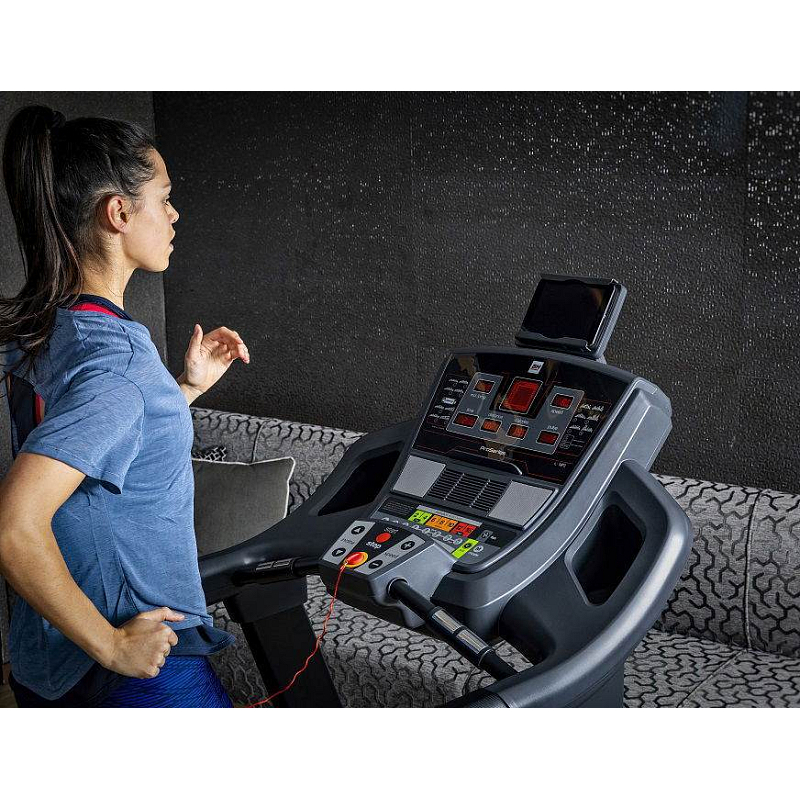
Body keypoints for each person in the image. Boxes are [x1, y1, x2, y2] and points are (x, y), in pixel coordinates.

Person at [0, 105, 250, 707]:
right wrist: (114, 647)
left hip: (46, 659)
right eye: (163, 197)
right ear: (118, 213)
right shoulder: (119, 368)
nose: (174, 213)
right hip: (131, 656)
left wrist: (180, 392)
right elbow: (14, 527)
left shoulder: (52, 330)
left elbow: (91, 453)